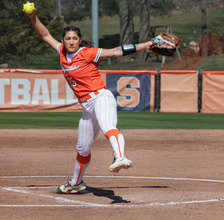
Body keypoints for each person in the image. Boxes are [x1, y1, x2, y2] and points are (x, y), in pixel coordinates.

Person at [24, 2, 153, 194]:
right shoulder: (61, 52)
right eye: (67, 38)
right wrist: (32, 16)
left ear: (79, 40)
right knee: (83, 148)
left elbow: (117, 51)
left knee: (108, 126)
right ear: (63, 40)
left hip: (101, 97)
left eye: (75, 38)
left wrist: (148, 44)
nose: (71, 42)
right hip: (87, 107)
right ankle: (75, 183)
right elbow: (44, 35)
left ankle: (119, 157)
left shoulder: (87, 53)